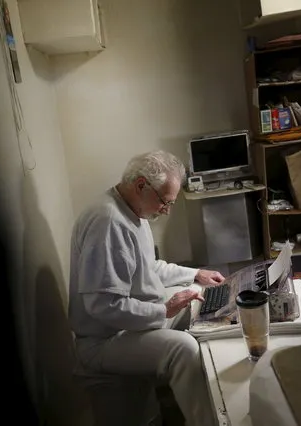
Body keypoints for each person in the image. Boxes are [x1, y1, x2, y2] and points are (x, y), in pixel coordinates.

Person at [68, 150, 225, 426]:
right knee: (184, 349)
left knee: (197, 294)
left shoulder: (133, 211)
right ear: (141, 185)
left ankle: (219, 386)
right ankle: (208, 421)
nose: (166, 210)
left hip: (126, 322)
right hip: (104, 340)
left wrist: (197, 273)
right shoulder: (107, 222)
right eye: (165, 202)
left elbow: (151, 268)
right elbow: (102, 306)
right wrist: (163, 310)